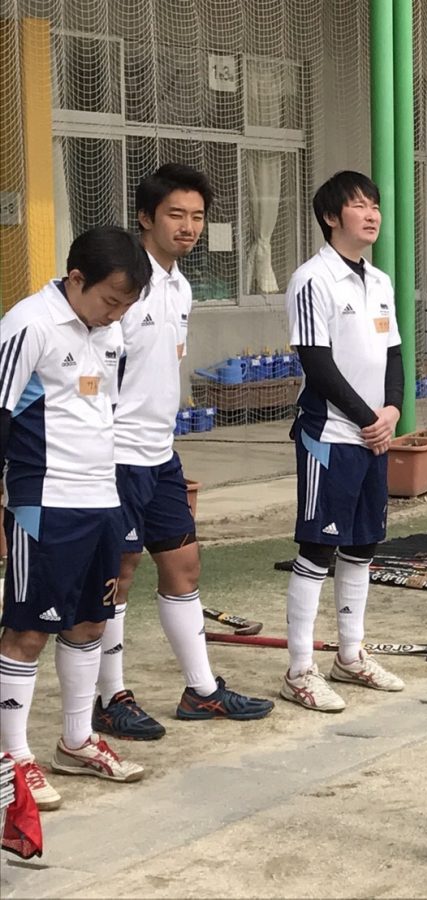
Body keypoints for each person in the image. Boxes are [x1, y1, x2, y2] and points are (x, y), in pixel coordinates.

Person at [93, 164, 274, 740]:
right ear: (146, 217)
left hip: (159, 452)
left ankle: (201, 692)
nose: (189, 226)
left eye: (197, 216)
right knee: (118, 574)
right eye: (176, 214)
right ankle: (109, 697)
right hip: (115, 455)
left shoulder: (181, 285)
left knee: (183, 565)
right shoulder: (124, 282)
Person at [0, 226, 152, 810]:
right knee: (29, 628)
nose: (115, 315)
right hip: (45, 504)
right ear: (76, 279)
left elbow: (98, 409)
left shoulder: (109, 333)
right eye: (110, 301)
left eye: (126, 306)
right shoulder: (28, 324)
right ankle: (14, 757)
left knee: (91, 622)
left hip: (101, 498)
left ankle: (77, 740)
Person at [280, 170, 406, 712]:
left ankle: (350, 656)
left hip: (373, 436)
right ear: (332, 217)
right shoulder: (313, 280)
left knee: (362, 545)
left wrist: (393, 411)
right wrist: (365, 418)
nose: (372, 213)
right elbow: (317, 361)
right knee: (318, 548)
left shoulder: (379, 281)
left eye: (375, 204)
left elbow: (396, 353)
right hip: (329, 435)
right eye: (359, 205)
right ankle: (298, 669)